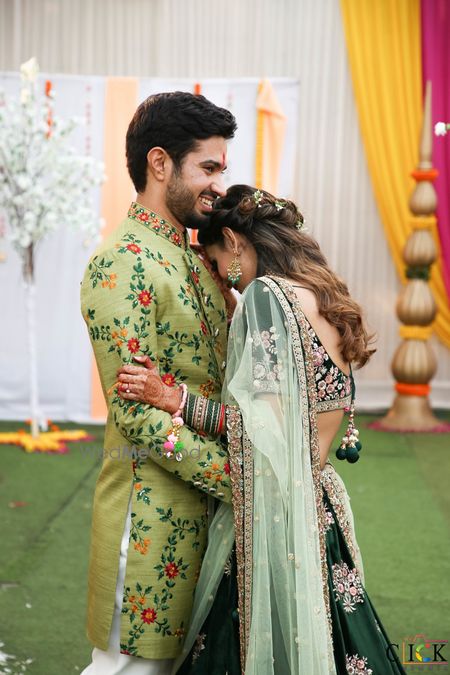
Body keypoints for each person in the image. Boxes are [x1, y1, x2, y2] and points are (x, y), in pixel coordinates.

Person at [119, 185, 407, 674]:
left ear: (233, 240)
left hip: (276, 518)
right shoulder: (323, 294)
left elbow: (267, 434)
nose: (222, 280)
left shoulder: (265, 297)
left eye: (215, 260)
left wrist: (175, 400)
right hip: (320, 509)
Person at [79, 92, 238, 675]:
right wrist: (240, 478)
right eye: (209, 168)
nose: (219, 184)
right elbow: (137, 415)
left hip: (213, 516)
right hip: (152, 518)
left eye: (222, 169)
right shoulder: (120, 263)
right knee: (130, 670)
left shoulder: (198, 260)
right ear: (160, 163)